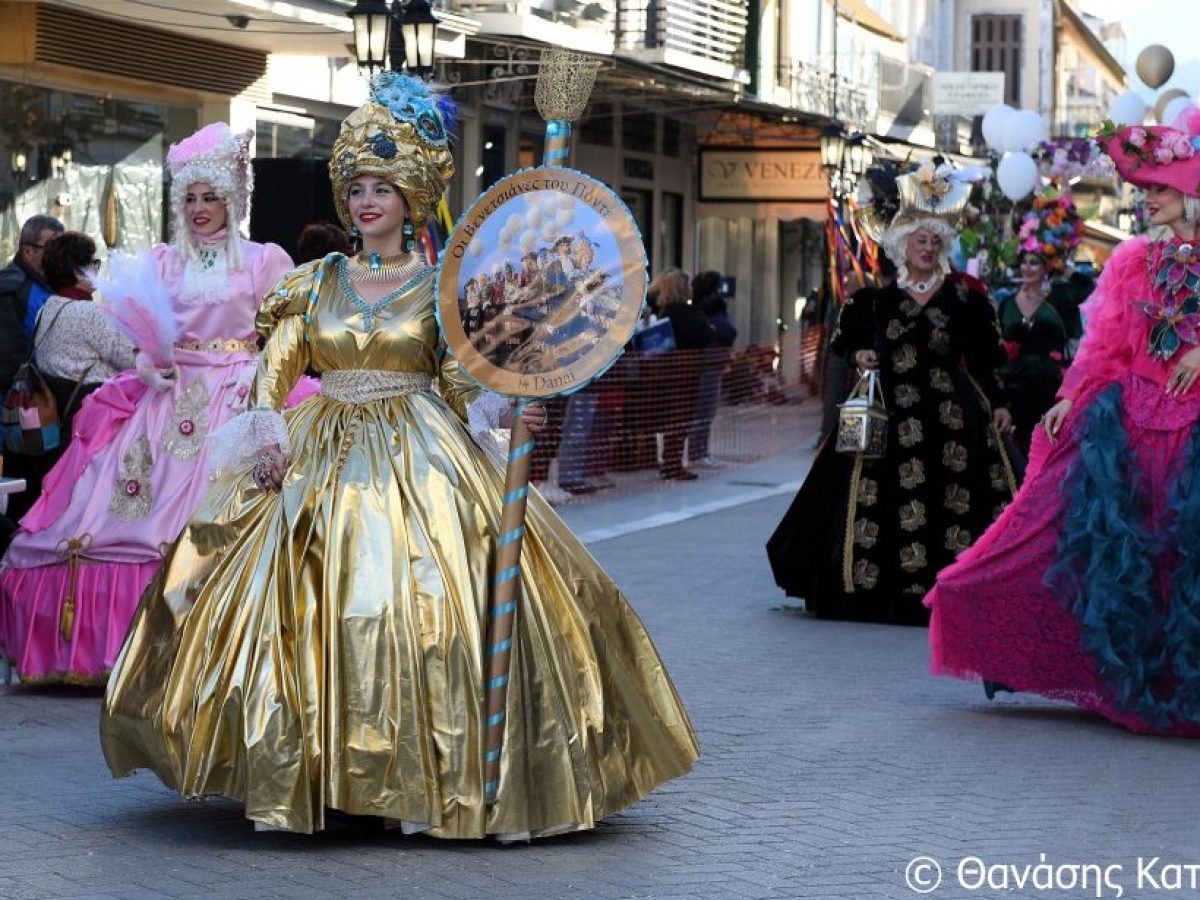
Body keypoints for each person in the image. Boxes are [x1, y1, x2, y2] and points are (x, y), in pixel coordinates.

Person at [100, 73, 698, 837]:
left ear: (411, 197)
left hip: (424, 454)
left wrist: (509, 405)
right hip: (319, 449)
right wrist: (264, 436)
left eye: (381, 188)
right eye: (356, 189)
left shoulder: (444, 290)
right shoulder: (313, 284)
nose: (366, 201)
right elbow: (272, 373)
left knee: (426, 601)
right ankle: (317, 771)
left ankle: (424, 777)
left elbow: (460, 380)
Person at [925, 110, 1200, 737]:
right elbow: (1106, 348)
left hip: (1191, 433)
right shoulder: (1133, 261)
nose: (1145, 197)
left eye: (1157, 187)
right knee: (1135, 559)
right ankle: (1147, 683)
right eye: (1142, 187)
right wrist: (1070, 398)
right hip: (1134, 428)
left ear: (1189, 191)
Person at [0, 123, 294, 684]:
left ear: (233, 199)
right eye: (191, 198)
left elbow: (286, 337)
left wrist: (259, 384)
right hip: (166, 396)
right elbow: (137, 331)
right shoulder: (163, 261)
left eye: (210, 197)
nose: (200, 209)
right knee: (111, 506)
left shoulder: (264, 261)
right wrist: (144, 362)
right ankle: (112, 651)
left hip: (236, 398)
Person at [766, 162, 1017, 625]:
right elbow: (844, 344)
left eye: (935, 241)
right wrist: (861, 354)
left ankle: (952, 590)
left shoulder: (966, 301)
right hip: (889, 416)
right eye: (920, 240)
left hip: (951, 420)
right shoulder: (874, 302)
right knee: (879, 502)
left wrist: (999, 403)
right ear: (903, 244)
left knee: (952, 502)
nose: (928, 248)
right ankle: (876, 594)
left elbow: (986, 357)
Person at [32, 231, 137, 443]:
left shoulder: (45, 309)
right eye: (93, 263)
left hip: (57, 419)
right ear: (78, 272)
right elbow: (133, 359)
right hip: (94, 425)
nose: (97, 270)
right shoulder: (91, 313)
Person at [996, 195, 1075, 458]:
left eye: (1035, 262)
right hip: (1014, 391)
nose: (1028, 268)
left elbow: (1071, 347)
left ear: (1047, 267)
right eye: (1025, 261)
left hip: (1047, 392)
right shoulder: (1006, 302)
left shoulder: (1059, 301)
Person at [0, 215, 65, 521]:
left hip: (38, 409)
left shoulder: (45, 286)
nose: (60, 256)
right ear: (28, 251)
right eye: (53, 247)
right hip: (19, 412)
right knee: (23, 497)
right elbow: (7, 359)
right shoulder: (10, 290)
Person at [689, 270, 736, 468]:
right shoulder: (713, 308)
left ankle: (701, 451)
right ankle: (698, 452)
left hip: (708, 361)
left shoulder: (700, 308)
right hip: (710, 362)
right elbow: (728, 331)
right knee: (705, 410)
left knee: (705, 410)